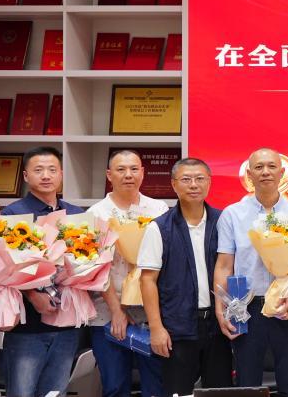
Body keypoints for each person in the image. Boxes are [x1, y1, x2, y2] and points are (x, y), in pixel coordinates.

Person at [214, 148, 288, 397]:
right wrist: (220, 308)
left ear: (282, 172)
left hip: (287, 305)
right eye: (258, 167)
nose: (265, 172)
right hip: (246, 307)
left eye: (271, 166)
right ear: (249, 174)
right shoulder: (232, 214)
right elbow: (224, 264)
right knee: (247, 383)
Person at [137, 158, 233, 396]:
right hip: (177, 326)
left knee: (220, 391)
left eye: (200, 179)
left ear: (209, 182)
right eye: (186, 179)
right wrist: (156, 328)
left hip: (218, 325)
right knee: (177, 392)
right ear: (173, 184)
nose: (193, 185)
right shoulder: (159, 227)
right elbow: (147, 280)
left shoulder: (224, 221)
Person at [0, 146, 85, 397]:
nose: (46, 175)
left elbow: (87, 261)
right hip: (27, 327)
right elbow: (3, 269)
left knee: (55, 392)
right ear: (26, 176)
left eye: (52, 170)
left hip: (66, 323)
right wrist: (32, 295)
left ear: (61, 174)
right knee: (22, 392)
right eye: (38, 170)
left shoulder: (76, 214)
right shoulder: (13, 214)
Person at [88, 149, 169, 397]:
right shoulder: (96, 213)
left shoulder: (158, 209)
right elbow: (96, 267)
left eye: (134, 169)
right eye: (121, 169)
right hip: (108, 313)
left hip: (150, 312)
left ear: (143, 173)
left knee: (156, 386)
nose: (128, 175)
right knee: (115, 385)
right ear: (109, 175)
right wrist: (117, 310)